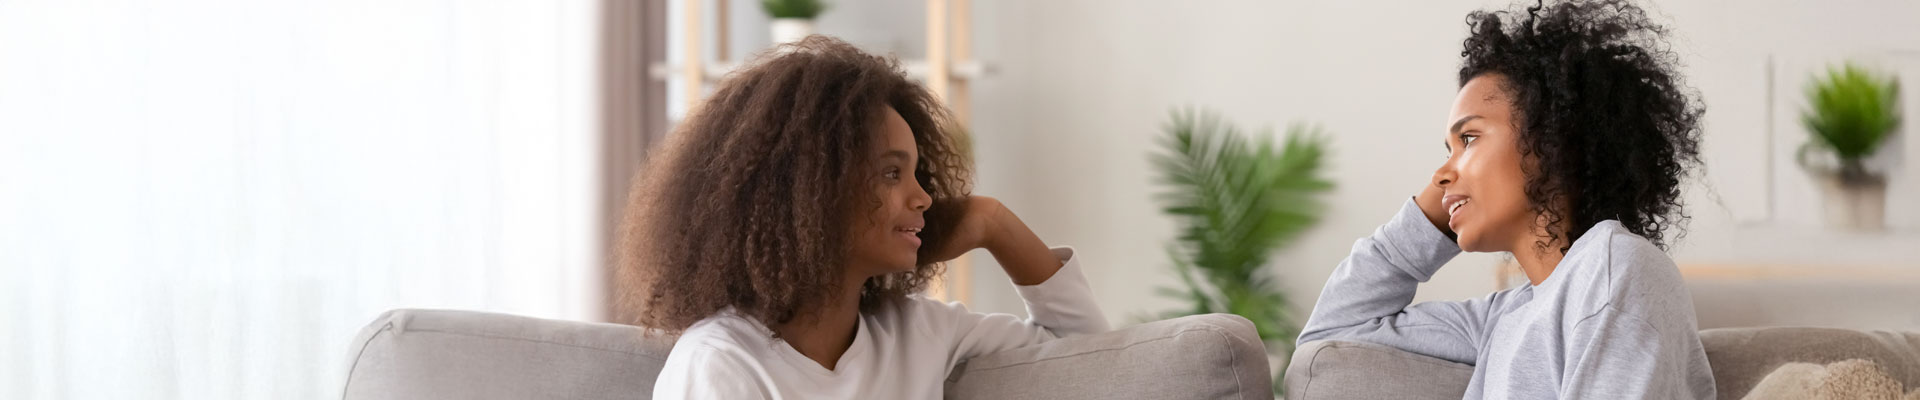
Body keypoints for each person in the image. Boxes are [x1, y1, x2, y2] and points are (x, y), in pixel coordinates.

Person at [619, 36, 1109, 399]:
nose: (924, 198)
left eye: (919, 175)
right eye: (892, 173)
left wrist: (992, 221)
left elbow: (1092, 360)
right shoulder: (719, 364)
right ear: (808, 189)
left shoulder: (916, 331)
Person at [1295, 0, 1716, 398]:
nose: (1440, 173)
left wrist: (1459, 186)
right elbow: (1329, 338)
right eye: (1448, 150)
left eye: (1470, 138)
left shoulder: (1615, 271)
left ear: (1551, 139)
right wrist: (1445, 198)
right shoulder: (1505, 315)